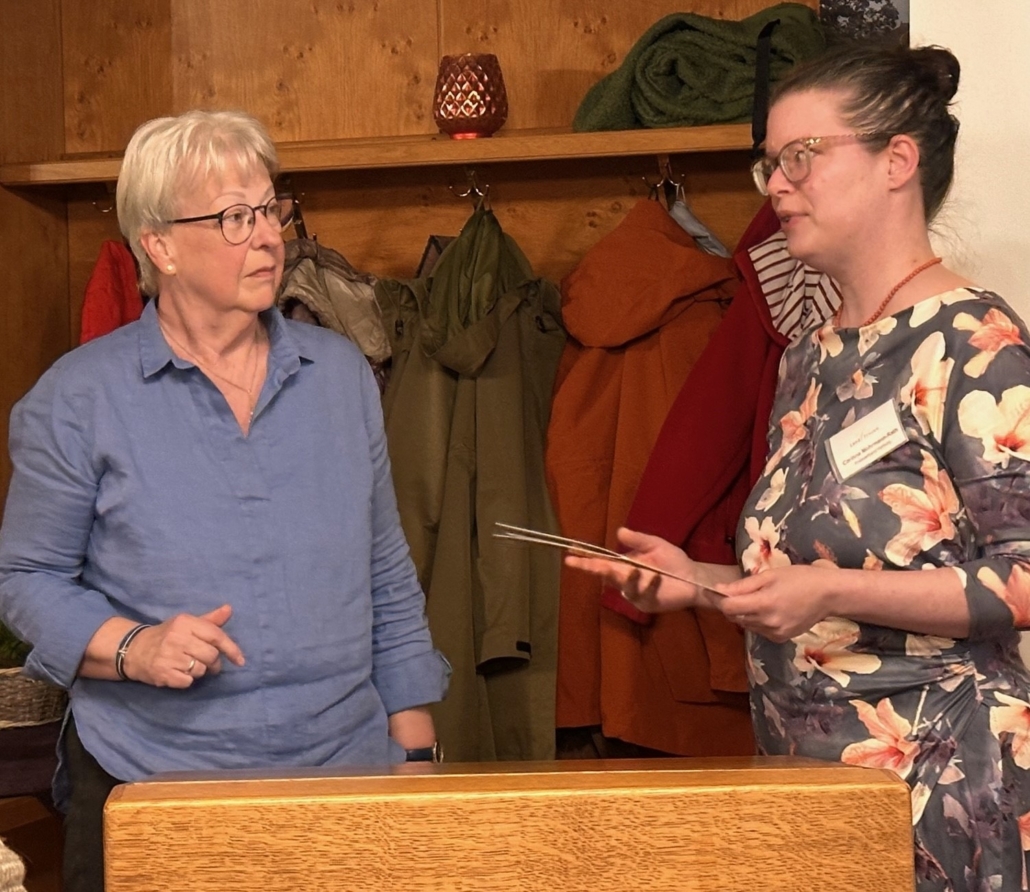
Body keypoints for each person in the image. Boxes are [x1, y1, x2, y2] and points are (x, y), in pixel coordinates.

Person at [568, 42, 1030, 891]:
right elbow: (805, 581)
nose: (776, 186)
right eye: (770, 165)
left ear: (897, 162)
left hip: (946, 791)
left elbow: (1025, 579)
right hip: (814, 790)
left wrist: (829, 591)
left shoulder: (974, 342)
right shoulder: (809, 356)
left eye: (801, 157)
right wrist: (699, 582)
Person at [0, 110, 450, 892]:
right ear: (160, 246)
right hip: (152, 783)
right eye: (235, 217)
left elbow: (384, 568)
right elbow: (26, 578)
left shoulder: (342, 376)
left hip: (343, 777)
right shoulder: (76, 398)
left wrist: (414, 749)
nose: (270, 236)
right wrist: (133, 646)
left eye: (271, 209)